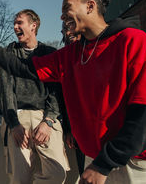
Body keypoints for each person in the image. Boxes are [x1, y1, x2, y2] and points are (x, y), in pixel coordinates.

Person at [0, 0, 146, 184]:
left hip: (135, 163)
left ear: (90, 6)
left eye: (67, 8)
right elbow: (23, 68)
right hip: (97, 159)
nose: (61, 16)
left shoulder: (135, 42)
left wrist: (106, 162)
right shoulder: (72, 54)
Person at [0, 9, 69, 184]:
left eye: (19, 22)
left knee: (57, 173)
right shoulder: (9, 53)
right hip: (18, 117)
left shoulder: (49, 53)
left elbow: (55, 91)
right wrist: (14, 124)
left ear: (33, 25)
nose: (15, 27)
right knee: (20, 179)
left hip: (44, 117)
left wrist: (49, 120)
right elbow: (6, 91)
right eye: (14, 23)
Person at [60, 21, 85, 176]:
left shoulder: (95, 52)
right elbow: (65, 98)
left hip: (104, 129)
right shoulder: (65, 58)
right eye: (65, 29)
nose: (68, 33)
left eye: (71, 28)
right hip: (79, 130)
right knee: (85, 172)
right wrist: (69, 129)